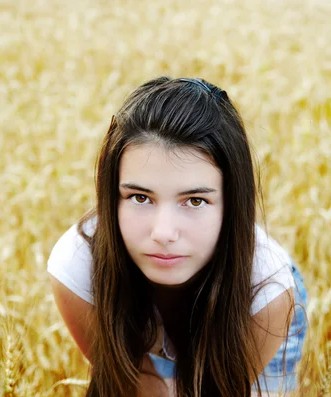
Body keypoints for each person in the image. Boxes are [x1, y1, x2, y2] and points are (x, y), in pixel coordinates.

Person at [47, 76, 308, 397]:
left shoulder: (266, 288)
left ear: (232, 204)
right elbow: (134, 389)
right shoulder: (77, 265)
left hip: (243, 307)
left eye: (195, 201)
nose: (164, 233)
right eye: (140, 197)